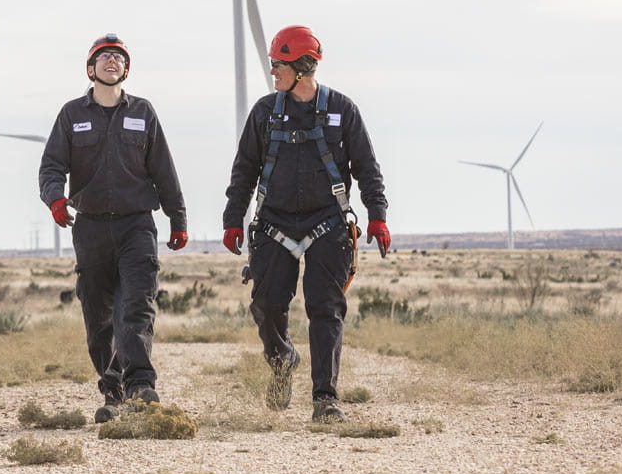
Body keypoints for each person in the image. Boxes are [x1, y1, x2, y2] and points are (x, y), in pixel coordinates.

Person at [221, 24, 390, 423]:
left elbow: (367, 168)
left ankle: (325, 398)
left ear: (301, 67)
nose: (273, 72)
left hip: (328, 224)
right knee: (266, 305)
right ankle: (282, 360)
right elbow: (244, 170)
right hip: (273, 224)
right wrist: (233, 219)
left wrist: (377, 215)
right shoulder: (264, 111)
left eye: (278, 65)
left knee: (326, 309)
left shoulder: (342, 109)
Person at [39, 33, 189, 422]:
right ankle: (113, 391)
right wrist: (55, 199)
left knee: (135, 308)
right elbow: (52, 166)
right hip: (89, 230)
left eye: (118, 58)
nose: (112, 62)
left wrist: (178, 219)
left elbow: (164, 170)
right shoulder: (72, 114)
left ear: (126, 69)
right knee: (99, 320)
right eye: (104, 57)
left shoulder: (144, 112)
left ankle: (140, 386)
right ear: (91, 69)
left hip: (137, 225)